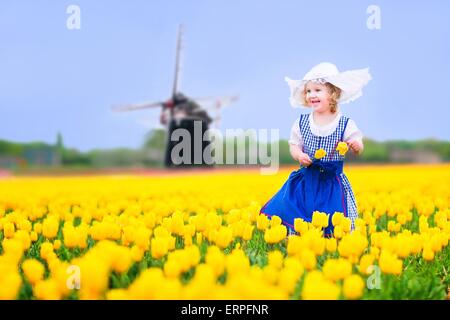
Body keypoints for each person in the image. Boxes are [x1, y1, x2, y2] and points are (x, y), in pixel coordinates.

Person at [260, 62, 371, 236]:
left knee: (335, 223)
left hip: (331, 182)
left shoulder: (345, 123)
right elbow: (294, 145)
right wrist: (299, 155)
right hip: (306, 182)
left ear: (333, 93)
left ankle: (331, 247)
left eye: (317, 90)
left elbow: (357, 143)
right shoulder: (302, 122)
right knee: (298, 218)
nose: (312, 95)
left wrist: (356, 146)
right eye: (308, 91)